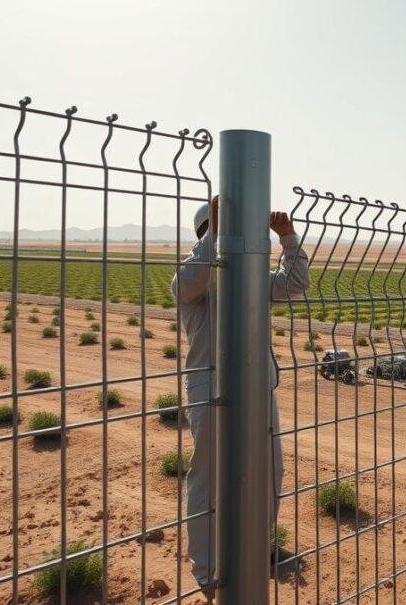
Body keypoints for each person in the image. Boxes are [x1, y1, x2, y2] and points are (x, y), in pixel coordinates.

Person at [171, 195, 310, 598]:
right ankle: (207, 570)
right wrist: (214, 231)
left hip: (256, 388)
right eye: (217, 230)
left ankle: (252, 551)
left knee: (270, 472)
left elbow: (295, 283)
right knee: (209, 475)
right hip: (210, 389)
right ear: (206, 235)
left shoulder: (251, 278)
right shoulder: (191, 277)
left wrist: (288, 238)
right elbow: (194, 278)